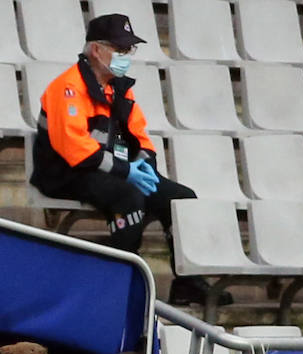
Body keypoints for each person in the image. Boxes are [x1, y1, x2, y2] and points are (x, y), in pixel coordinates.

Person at [29, 13, 224, 309]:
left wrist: (145, 162)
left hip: (107, 169)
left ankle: (188, 284)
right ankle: (116, 286)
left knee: (181, 197)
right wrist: (125, 171)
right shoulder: (66, 88)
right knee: (129, 196)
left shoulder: (119, 87)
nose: (126, 56)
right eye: (120, 49)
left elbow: (139, 133)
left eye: (128, 50)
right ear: (97, 50)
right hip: (64, 173)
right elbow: (73, 148)